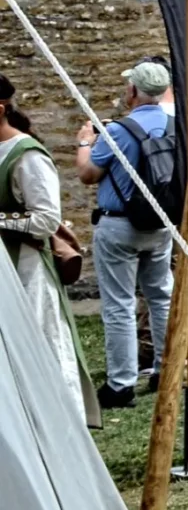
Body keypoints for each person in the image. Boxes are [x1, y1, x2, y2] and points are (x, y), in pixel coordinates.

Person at [74, 57, 176, 412]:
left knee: (119, 304)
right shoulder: (177, 126)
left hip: (119, 223)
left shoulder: (119, 131)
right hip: (160, 223)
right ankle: (165, 369)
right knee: (161, 297)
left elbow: (89, 174)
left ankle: (121, 384)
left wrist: (86, 142)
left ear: (133, 90)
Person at [0, 77, 96, 425]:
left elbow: (44, 220)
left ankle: (62, 428)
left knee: (43, 349)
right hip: (2, 270)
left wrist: (0, 219)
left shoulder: (27, 156)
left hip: (27, 271)